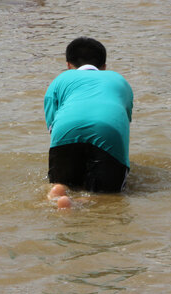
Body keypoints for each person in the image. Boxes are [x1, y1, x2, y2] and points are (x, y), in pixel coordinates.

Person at [44, 37, 134, 208]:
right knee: (107, 195)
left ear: (68, 65)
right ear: (104, 67)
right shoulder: (119, 80)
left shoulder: (60, 80)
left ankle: (58, 189)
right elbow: (124, 123)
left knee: (66, 181)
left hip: (66, 130)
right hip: (107, 130)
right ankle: (82, 202)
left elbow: (52, 126)